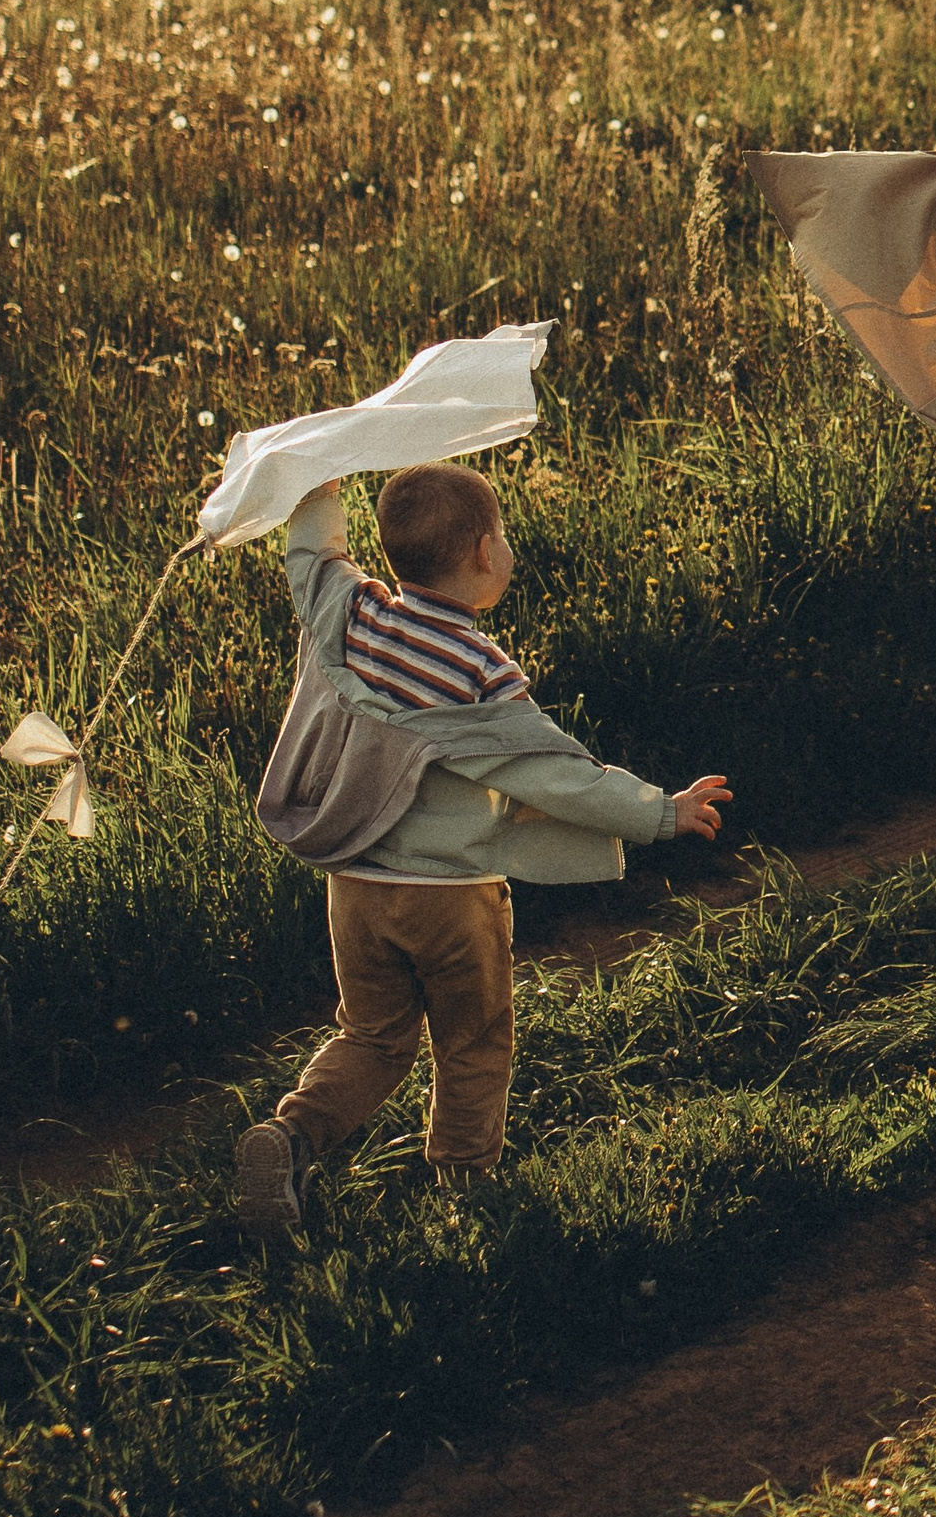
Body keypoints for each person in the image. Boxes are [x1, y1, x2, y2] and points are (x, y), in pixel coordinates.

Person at [234, 463, 730, 1229]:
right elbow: (558, 777)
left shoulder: (353, 614)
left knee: (372, 1036)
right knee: (472, 1040)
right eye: (501, 534)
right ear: (481, 553)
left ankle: (292, 1135)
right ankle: (466, 1190)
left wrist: (319, 489)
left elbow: (313, 559)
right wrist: (661, 812)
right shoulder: (475, 672)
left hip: (355, 890)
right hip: (452, 899)